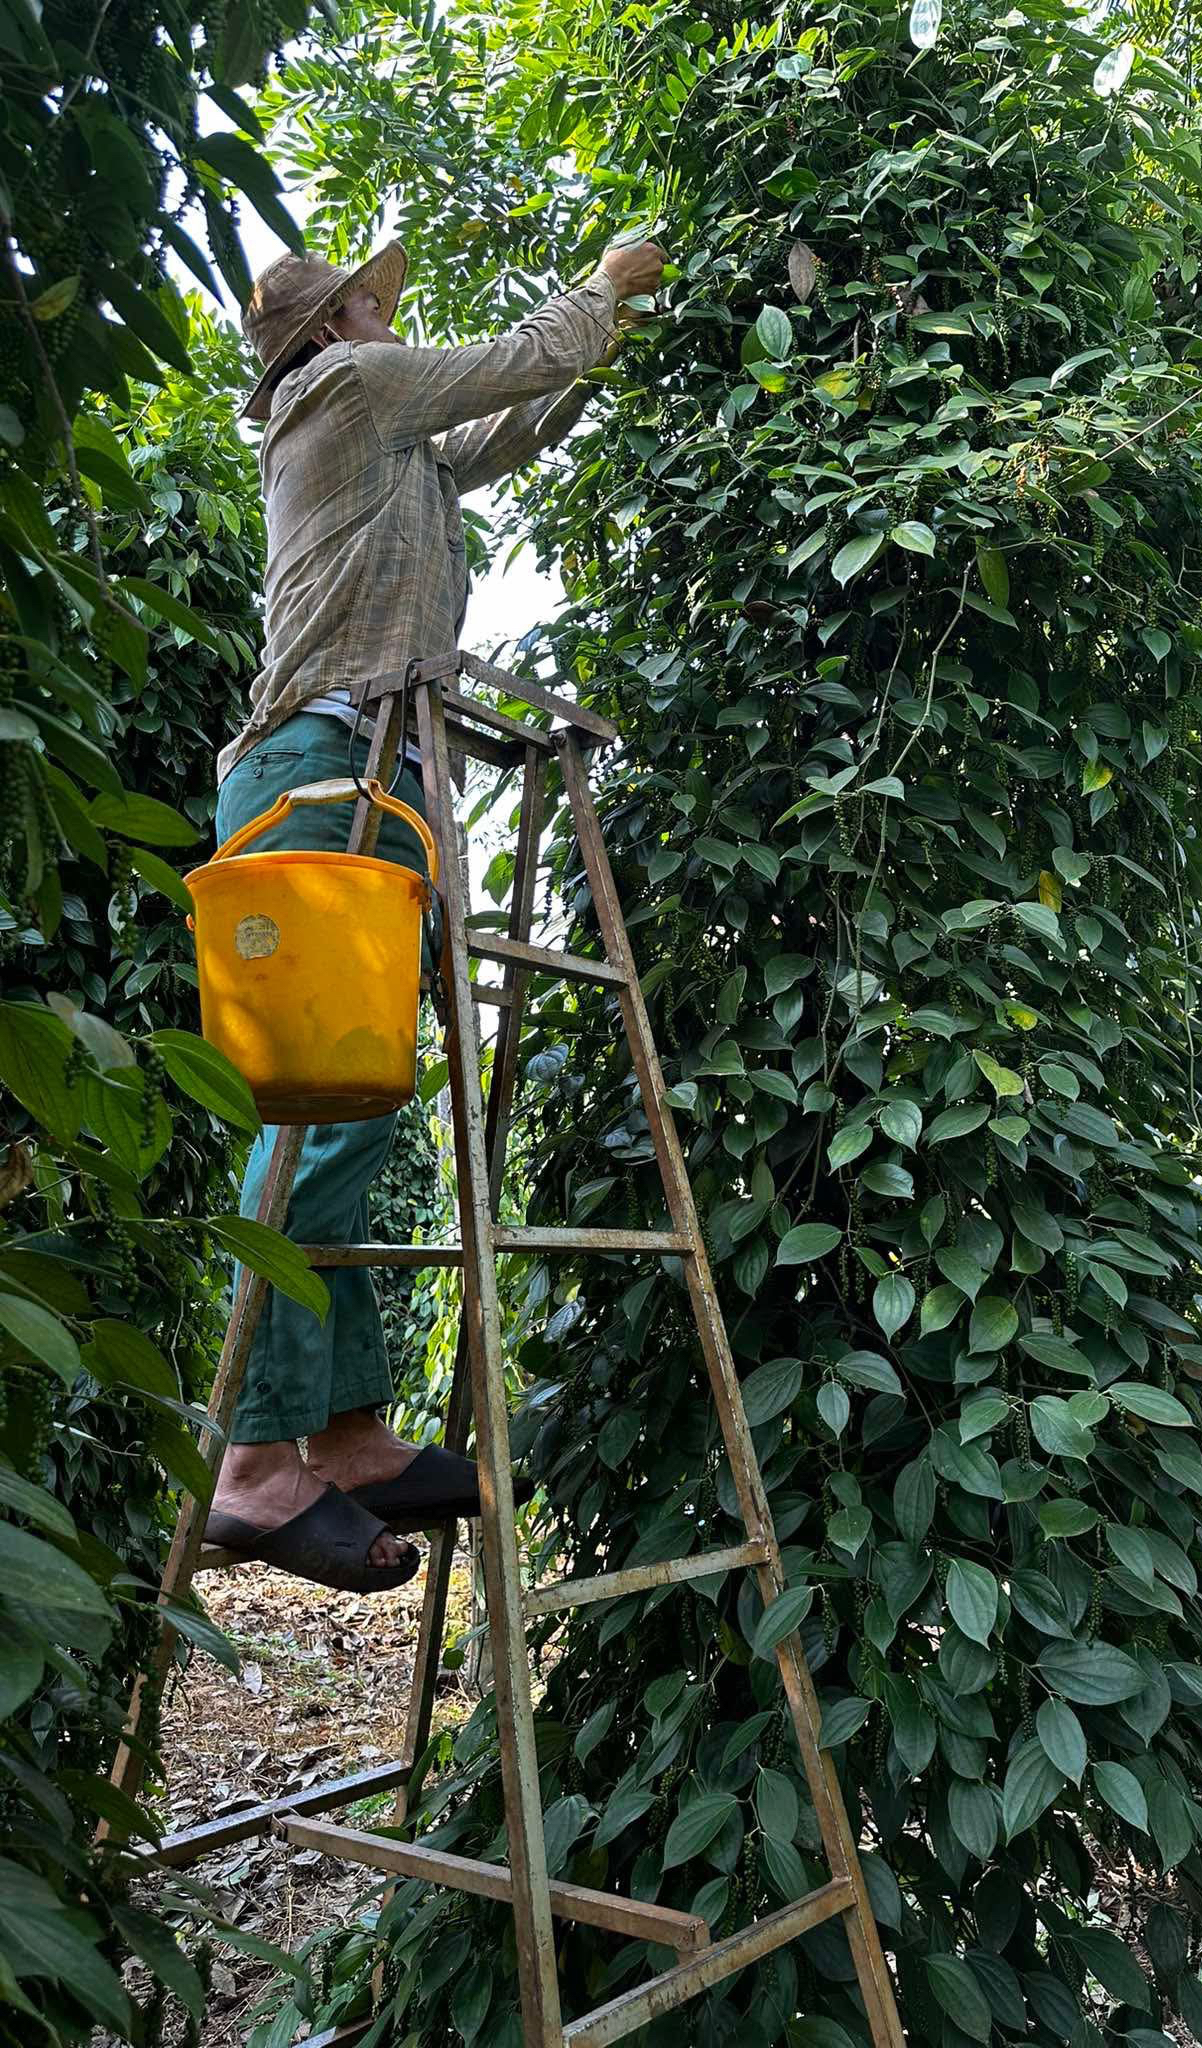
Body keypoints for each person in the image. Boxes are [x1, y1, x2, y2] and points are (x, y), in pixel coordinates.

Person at [203, 233, 666, 1593]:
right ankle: (253, 1459)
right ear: (325, 333)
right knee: (312, 1111)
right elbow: (517, 358)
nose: (380, 305)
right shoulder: (342, 394)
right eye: (363, 297)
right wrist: (597, 288)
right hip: (321, 768)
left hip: (379, 771)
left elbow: (512, 421)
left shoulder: (390, 438)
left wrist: (602, 335)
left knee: (358, 1108)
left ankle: (341, 1435)